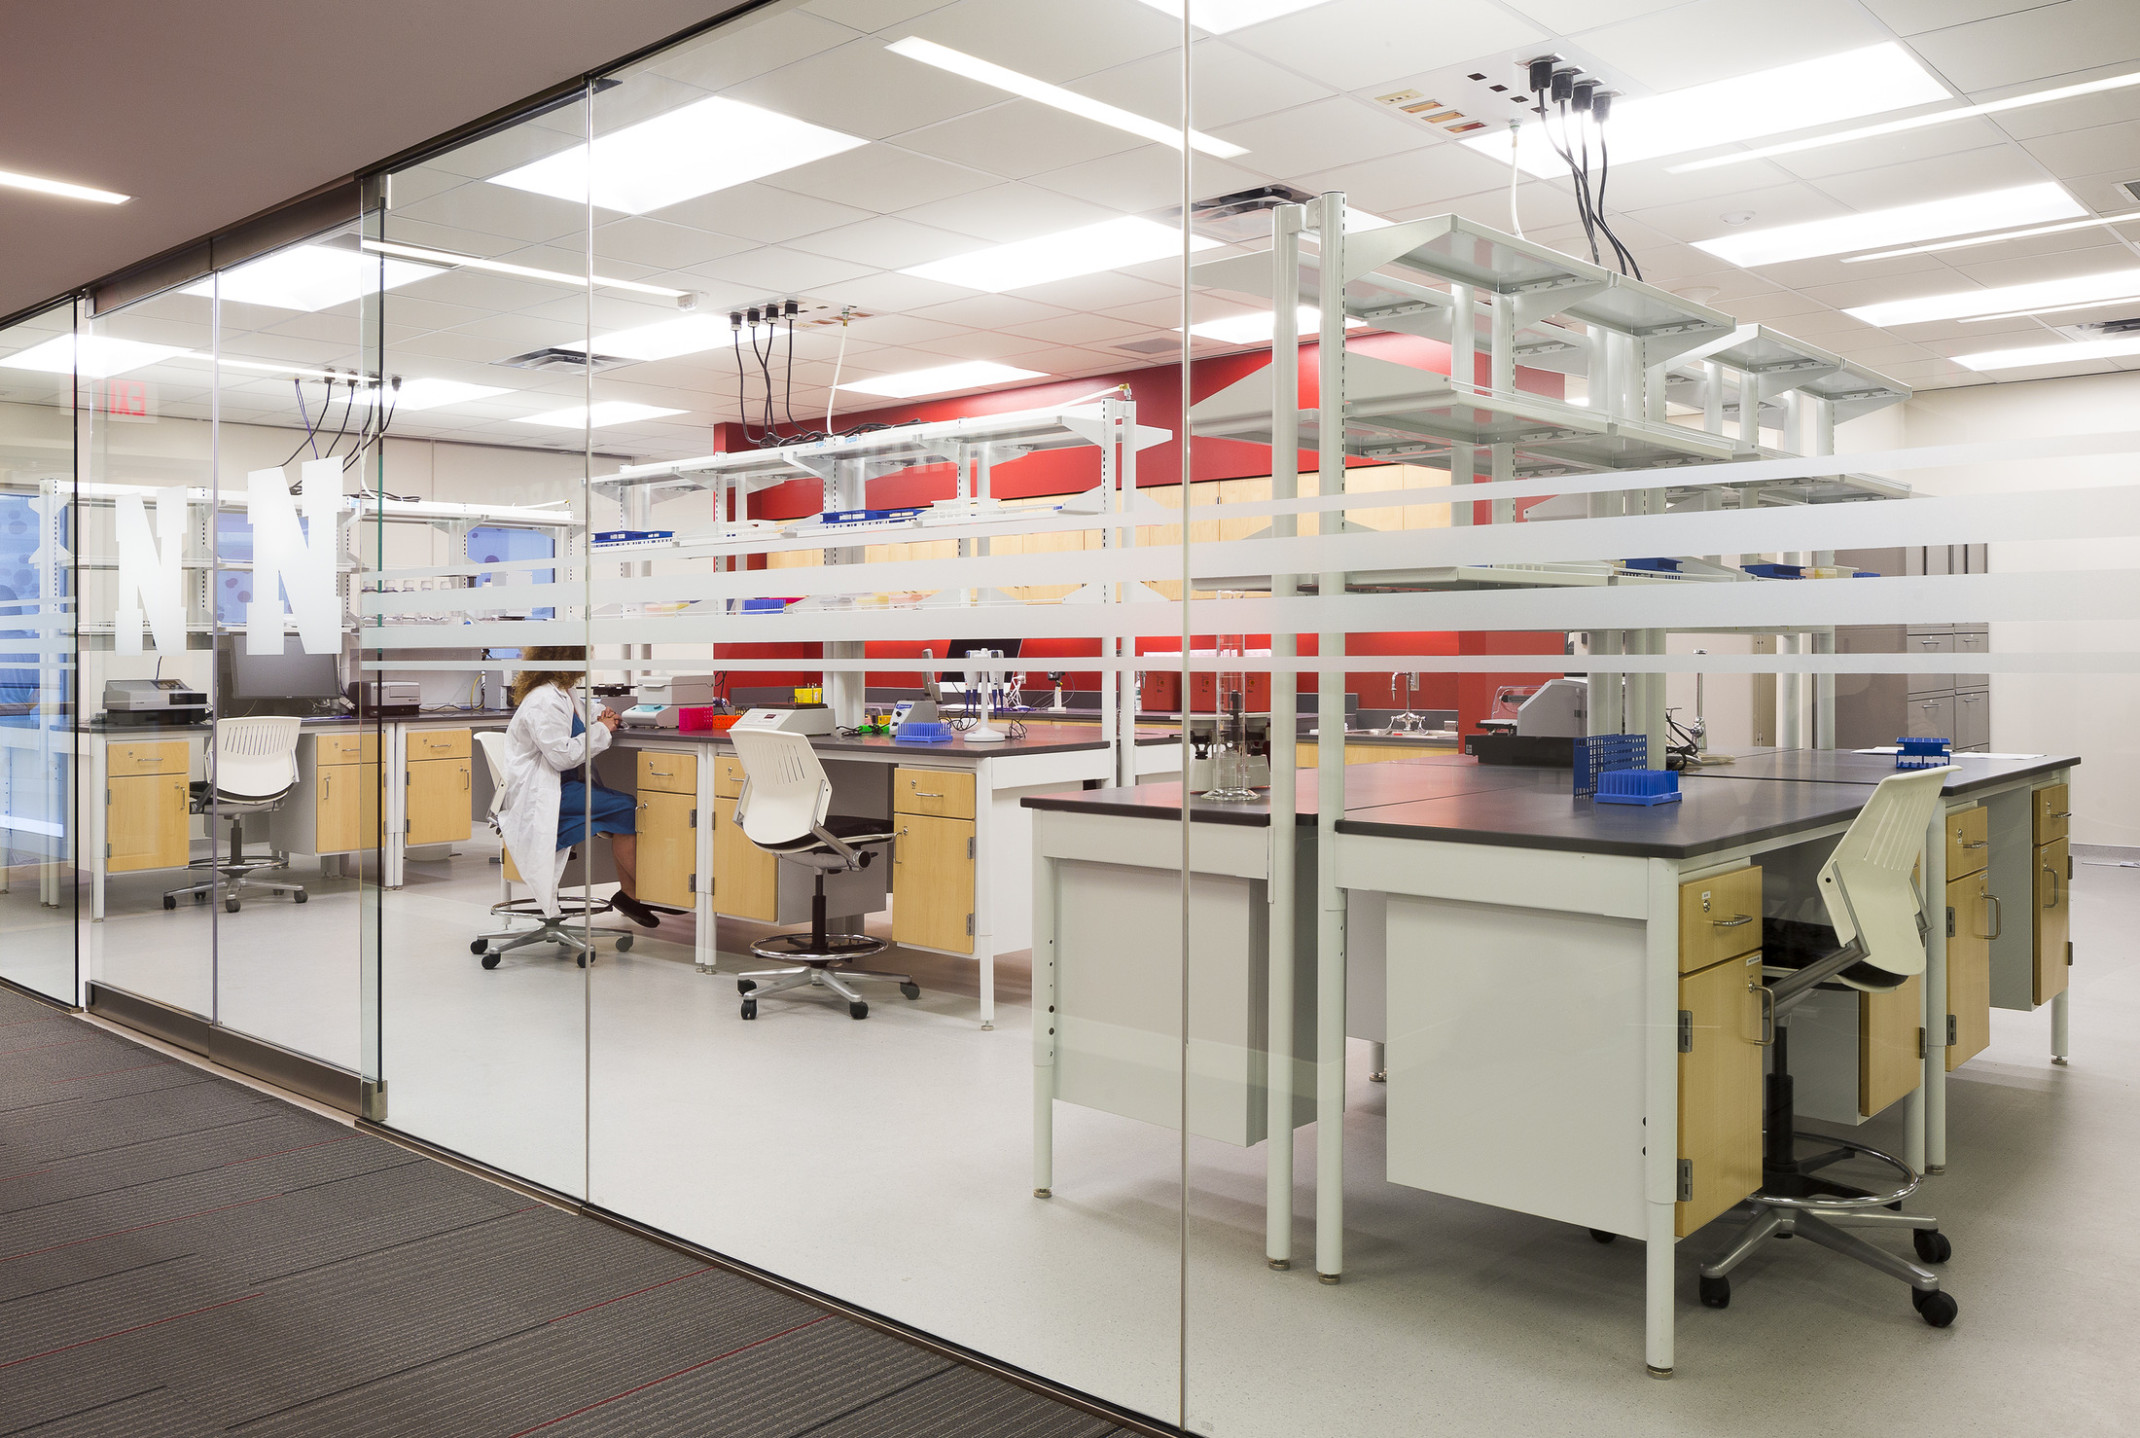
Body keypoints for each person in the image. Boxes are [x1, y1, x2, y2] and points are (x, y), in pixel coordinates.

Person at [494, 646, 659, 928]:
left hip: (559, 786)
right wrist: (604, 730)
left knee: (623, 810)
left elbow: (579, 714)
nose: (590, 661)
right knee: (626, 807)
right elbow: (562, 756)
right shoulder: (544, 700)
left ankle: (632, 895)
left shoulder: (561, 692)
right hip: (544, 793)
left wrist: (600, 715)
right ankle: (648, 893)